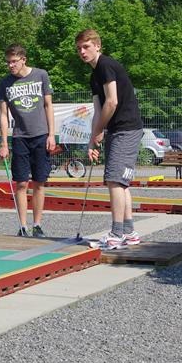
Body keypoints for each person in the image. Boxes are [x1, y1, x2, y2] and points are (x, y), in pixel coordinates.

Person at [77, 28, 144, 250]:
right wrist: (92, 139)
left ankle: (116, 234)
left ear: (97, 46)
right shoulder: (93, 75)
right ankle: (129, 233)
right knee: (121, 182)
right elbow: (98, 110)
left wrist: (99, 129)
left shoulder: (105, 65)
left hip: (127, 128)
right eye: (79, 48)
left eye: (86, 46)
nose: (82, 51)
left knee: (115, 181)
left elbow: (112, 102)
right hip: (117, 130)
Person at [0, 43, 55, 237]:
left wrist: (51, 134)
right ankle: (23, 226)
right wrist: (4, 144)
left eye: (14, 61)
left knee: (39, 182)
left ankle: (37, 225)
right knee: (21, 183)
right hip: (19, 137)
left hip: (40, 135)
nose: (11, 65)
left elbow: (48, 106)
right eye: (8, 62)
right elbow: (3, 115)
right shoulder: (5, 83)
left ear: (23, 59)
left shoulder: (41, 75)